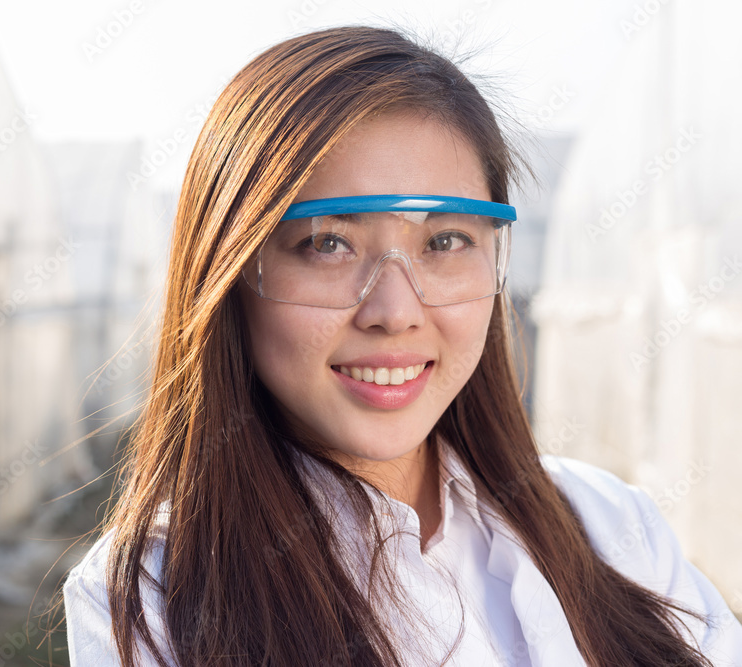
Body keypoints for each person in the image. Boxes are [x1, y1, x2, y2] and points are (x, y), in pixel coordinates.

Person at [63, 25, 742, 666]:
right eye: (327, 243)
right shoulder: (152, 596)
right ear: (229, 272)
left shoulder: (610, 523)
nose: (395, 312)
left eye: (445, 241)